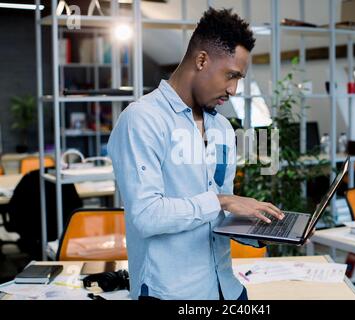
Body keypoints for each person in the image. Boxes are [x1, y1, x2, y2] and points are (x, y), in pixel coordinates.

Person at [107, 7, 284, 300]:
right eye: (231, 75)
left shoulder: (223, 128)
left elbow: (219, 216)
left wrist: (258, 229)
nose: (234, 90)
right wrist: (221, 200)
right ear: (201, 60)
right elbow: (147, 216)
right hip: (172, 293)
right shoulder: (142, 120)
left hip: (227, 288)